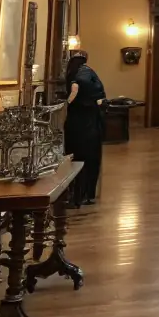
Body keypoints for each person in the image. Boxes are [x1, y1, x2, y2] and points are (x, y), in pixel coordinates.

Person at [64, 51, 107, 207]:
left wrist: (66, 104)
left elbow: (74, 92)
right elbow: (100, 99)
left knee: (77, 157)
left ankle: (77, 195)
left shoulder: (75, 75)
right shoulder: (90, 72)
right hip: (93, 121)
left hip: (79, 123)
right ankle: (89, 193)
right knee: (91, 157)